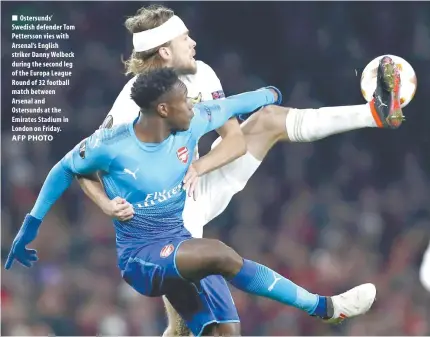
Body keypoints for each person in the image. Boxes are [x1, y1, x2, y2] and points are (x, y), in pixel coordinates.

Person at [76, 5, 404, 336]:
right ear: (164, 50)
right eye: (184, 37)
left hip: (199, 180)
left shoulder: (201, 74)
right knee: (189, 328)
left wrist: (200, 165)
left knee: (268, 119)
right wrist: (108, 204)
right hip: (163, 213)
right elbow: (84, 166)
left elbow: (234, 142)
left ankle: (374, 113)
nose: (193, 42)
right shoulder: (129, 105)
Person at [5, 68, 377, 337]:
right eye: (184, 102)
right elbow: (63, 169)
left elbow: (233, 104)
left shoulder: (191, 122)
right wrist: (31, 226)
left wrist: (270, 94)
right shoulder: (111, 145)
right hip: (141, 257)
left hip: (177, 244)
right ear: (163, 110)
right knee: (220, 255)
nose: (193, 107)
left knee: (225, 333)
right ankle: (324, 308)